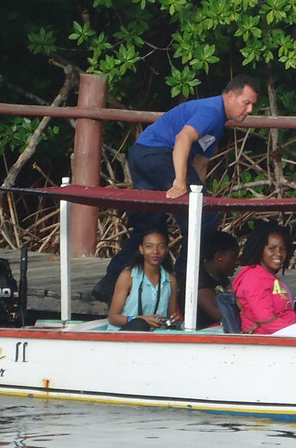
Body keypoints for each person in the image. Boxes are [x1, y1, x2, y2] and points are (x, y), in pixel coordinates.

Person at [92, 74, 259, 302]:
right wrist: (180, 181)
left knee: (151, 226)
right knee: (205, 217)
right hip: (159, 154)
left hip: (141, 154)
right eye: (246, 103)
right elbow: (183, 138)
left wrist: (198, 193)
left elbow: (200, 163)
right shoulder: (212, 111)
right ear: (230, 96)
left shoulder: (218, 123)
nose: (250, 110)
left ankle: (110, 282)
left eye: (252, 105)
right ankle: (183, 280)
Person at [231, 221, 296, 335]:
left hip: (284, 334)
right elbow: (267, 320)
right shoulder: (254, 278)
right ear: (259, 249)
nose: (279, 253)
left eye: (283, 248)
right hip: (268, 339)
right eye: (272, 248)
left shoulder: (268, 276)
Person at [106, 227, 181, 331]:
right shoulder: (129, 276)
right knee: (140, 324)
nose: (155, 251)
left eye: (161, 247)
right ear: (141, 249)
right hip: (125, 335)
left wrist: (173, 319)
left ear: (167, 250)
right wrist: (140, 319)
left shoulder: (170, 280)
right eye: (149, 246)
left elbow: (171, 316)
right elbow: (113, 318)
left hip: (154, 337)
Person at [195, 230, 240, 329]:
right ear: (219, 256)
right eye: (233, 257)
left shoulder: (222, 278)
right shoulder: (199, 279)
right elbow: (219, 313)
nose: (237, 262)